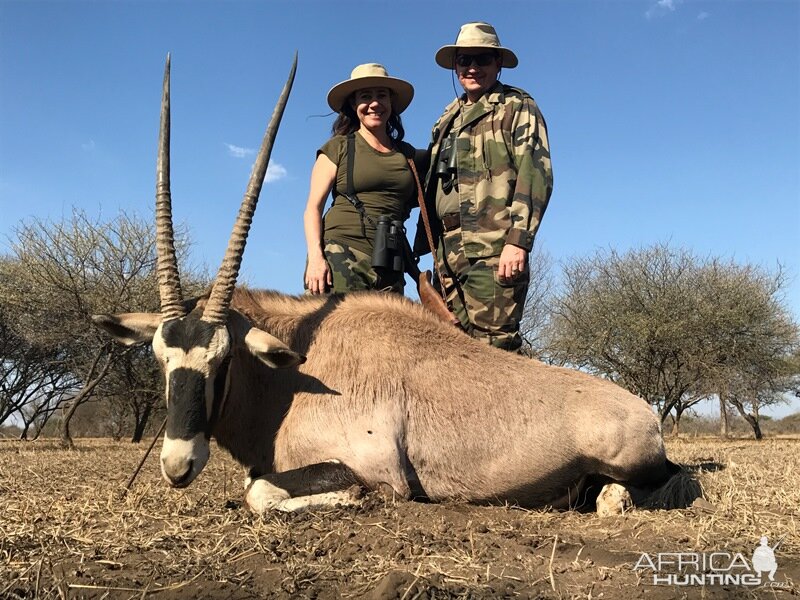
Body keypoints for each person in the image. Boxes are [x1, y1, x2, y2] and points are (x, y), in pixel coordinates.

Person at [414, 22, 553, 351]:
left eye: (482, 60)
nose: (472, 67)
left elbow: (536, 173)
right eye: (465, 61)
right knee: (453, 351)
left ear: (498, 64)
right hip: (447, 254)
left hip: (493, 250)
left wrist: (518, 242)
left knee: (494, 352)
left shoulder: (517, 106)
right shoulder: (445, 119)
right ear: (455, 66)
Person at [303, 63, 417, 295]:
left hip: (391, 264)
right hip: (342, 254)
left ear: (391, 103)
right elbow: (313, 208)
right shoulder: (338, 147)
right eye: (366, 97)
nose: (374, 103)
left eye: (381, 95)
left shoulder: (409, 155)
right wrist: (316, 257)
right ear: (354, 104)